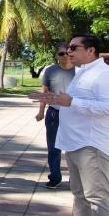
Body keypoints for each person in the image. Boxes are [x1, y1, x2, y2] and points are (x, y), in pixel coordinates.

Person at [30, 34, 109, 216]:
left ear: (91, 50)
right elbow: (73, 102)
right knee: (80, 194)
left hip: (92, 144)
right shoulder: (82, 73)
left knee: (97, 197)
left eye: (73, 47)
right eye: (68, 48)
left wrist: (71, 102)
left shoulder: (105, 74)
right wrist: (52, 99)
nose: (68, 52)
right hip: (74, 142)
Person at [35, 43, 75, 189]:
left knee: (74, 148)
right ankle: (55, 177)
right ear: (57, 56)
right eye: (61, 54)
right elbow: (44, 92)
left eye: (67, 53)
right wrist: (41, 111)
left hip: (74, 114)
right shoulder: (50, 71)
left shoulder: (80, 71)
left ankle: (75, 178)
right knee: (53, 147)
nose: (65, 56)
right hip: (54, 113)